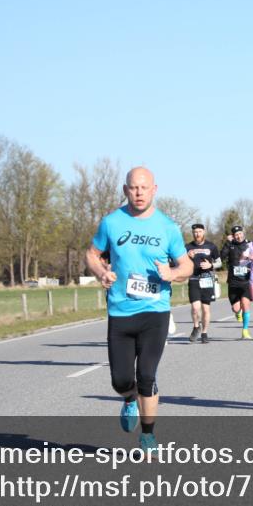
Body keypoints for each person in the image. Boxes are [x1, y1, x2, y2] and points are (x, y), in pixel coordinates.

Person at [86, 167, 193, 455]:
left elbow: (187, 265)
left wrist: (172, 273)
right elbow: (92, 254)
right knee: (121, 380)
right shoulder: (111, 223)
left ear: (154, 189)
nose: (139, 193)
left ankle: (147, 434)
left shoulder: (167, 227)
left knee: (147, 375)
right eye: (134, 188)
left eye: (144, 188)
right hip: (120, 312)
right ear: (125, 190)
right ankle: (129, 398)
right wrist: (100, 272)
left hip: (154, 311)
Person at [185, 223, 221, 343]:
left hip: (207, 279)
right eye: (195, 232)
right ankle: (196, 327)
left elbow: (219, 263)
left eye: (199, 231)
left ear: (204, 232)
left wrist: (211, 265)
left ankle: (204, 332)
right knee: (195, 308)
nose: (197, 234)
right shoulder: (188, 247)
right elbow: (179, 261)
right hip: (194, 279)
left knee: (206, 309)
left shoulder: (211, 246)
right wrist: (186, 256)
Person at [220, 225, 253, 339]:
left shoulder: (249, 244)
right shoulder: (230, 245)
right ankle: (237, 313)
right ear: (233, 236)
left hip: (246, 280)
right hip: (233, 281)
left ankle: (245, 330)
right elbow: (222, 257)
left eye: (240, 233)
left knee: (246, 304)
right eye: (236, 235)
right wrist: (227, 243)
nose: (238, 236)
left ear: (243, 233)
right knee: (236, 308)